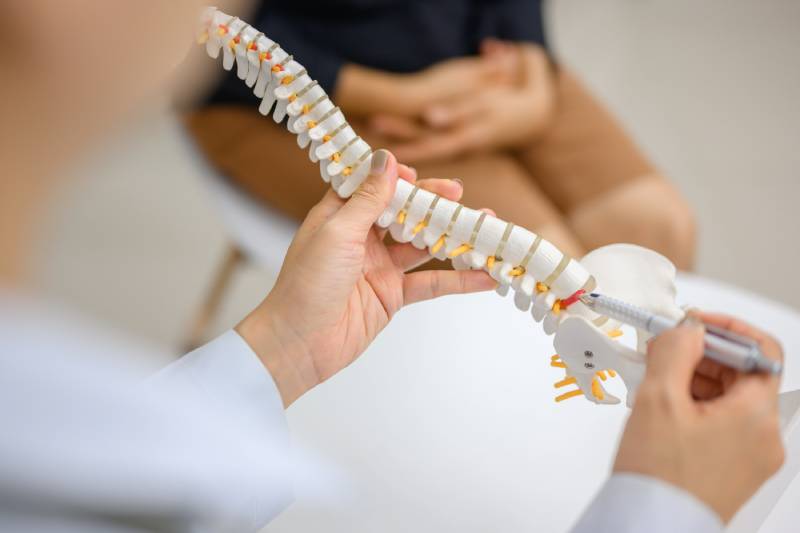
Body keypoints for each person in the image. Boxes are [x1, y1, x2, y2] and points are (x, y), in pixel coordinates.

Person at [0, 1, 784, 532]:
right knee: (533, 236)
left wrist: (277, 348)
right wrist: (662, 506)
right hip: (349, 83)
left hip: (476, 55)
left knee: (653, 224)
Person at [187, 0, 696, 268]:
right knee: (536, 263)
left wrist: (532, 66)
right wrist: (393, 96)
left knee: (656, 232)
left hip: (469, 43)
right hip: (275, 82)